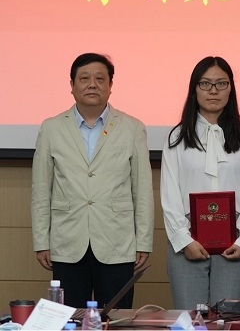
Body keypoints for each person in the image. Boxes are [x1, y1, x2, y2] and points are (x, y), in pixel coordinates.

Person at [31, 53, 154, 308]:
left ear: (110, 85)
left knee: (117, 319)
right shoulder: (51, 128)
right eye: (84, 78)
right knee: (70, 319)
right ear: (72, 85)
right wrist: (41, 241)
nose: (92, 84)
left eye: (100, 79)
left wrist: (143, 241)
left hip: (117, 241)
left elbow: (142, 190)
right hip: (67, 241)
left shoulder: (132, 128)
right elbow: (41, 190)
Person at [160, 56, 240, 310]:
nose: (213, 91)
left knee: (227, 320)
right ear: (194, 89)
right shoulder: (176, 137)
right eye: (205, 84)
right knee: (190, 321)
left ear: (231, 88)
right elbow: (169, 193)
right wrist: (184, 240)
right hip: (188, 238)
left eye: (221, 83)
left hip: (234, 241)